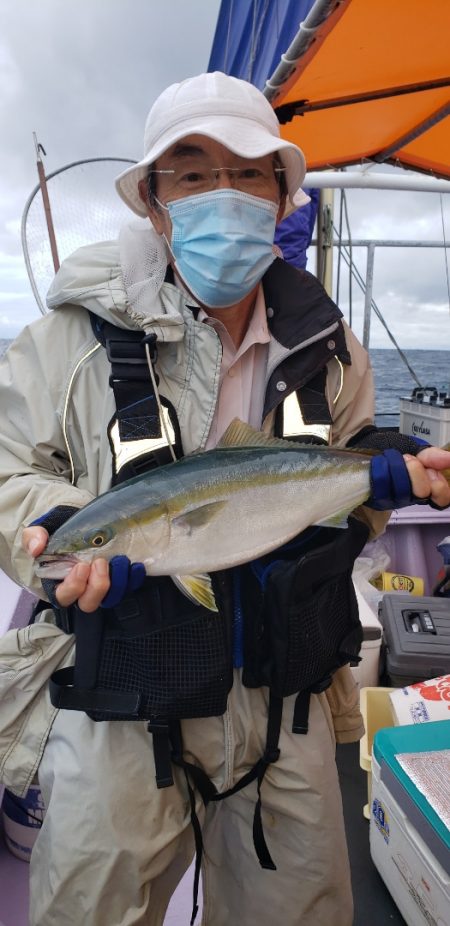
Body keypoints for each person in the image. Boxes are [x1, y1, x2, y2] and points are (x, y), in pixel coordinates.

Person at [0, 72, 449, 926]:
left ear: (283, 195)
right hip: (123, 704)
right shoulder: (68, 336)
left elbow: (347, 499)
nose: (225, 193)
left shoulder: (334, 344)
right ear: (156, 203)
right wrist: (54, 527)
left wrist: (386, 476)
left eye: (249, 173)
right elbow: (6, 466)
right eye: (193, 173)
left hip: (289, 702)